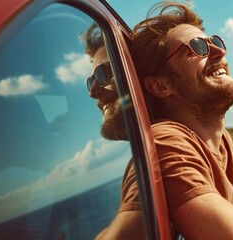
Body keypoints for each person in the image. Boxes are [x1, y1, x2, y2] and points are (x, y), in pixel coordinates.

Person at [129, 2, 233, 239]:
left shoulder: (220, 140)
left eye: (214, 42)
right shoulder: (166, 142)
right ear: (161, 85)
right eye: (197, 47)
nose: (220, 52)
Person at [84, 23, 146, 239]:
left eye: (102, 74)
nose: (92, 92)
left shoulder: (157, 152)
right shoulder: (145, 153)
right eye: (90, 81)